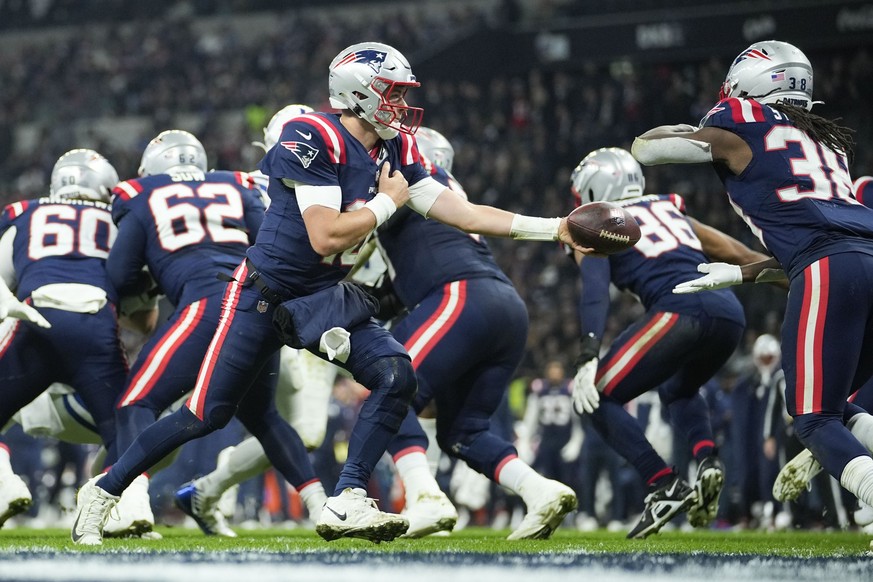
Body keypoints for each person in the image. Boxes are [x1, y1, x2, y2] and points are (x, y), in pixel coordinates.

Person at [71, 41, 587, 545]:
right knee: (205, 414)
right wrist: (387, 203)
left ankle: (347, 497)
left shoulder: (395, 147)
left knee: (396, 373)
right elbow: (326, 234)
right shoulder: (312, 134)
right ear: (359, 94)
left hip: (320, 295)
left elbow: (465, 214)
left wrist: (556, 227)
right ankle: (104, 491)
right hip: (262, 296)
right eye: (394, 93)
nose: (404, 105)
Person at [632, 39, 873, 531]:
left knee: (811, 417)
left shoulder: (739, 120)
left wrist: (695, 129)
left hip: (831, 267)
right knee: (838, 404)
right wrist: (745, 271)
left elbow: (647, 149)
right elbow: (825, 234)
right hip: (858, 258)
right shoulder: (827, 143)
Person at [379, 127, 577, 540]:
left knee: (388, 390)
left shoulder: (397, 171)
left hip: (460, 296)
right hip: (504, 305)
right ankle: (538, 490)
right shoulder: (448, 190)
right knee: (463, 431)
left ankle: (424, 498)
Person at [568, 146, 770, 538]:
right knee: (679, 388)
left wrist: (588, 353)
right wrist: (800, 281)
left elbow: (594, 290)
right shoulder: (669, 209)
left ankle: (662, 483)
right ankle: (707, 458)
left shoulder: (598, 221)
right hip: (729, 312)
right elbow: (738, 253)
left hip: (679, 311)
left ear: (594, 188)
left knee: (595, 395)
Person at [0, 149, 127, 528]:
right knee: (130, 429)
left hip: (34, 319)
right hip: (94, 327)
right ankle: (127, 508)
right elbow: (141, 307)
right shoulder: (118, 216)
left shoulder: (24, 213)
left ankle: (4, 482)